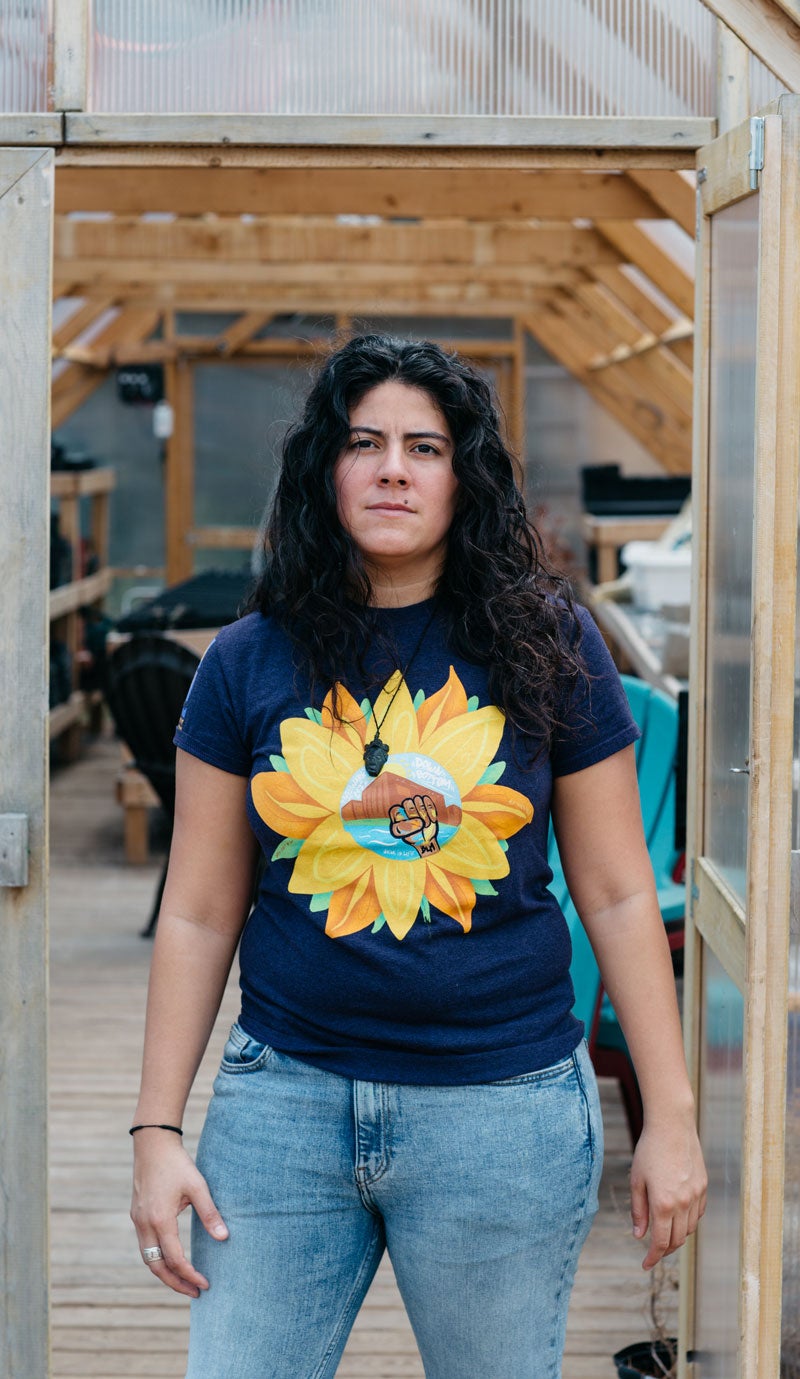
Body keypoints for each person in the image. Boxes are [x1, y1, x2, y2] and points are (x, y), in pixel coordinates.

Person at [130, 334, 707, 1379]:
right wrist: (154, 1129)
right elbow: (197, 912)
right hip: (283, 1106)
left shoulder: (548, 641)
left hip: (501, 1114)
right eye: (363, 441)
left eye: (424, 446)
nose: (392, 466)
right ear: (325, 470)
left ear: (462, 477)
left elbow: (621, 894)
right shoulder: (245, 659)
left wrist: (667, 1119)